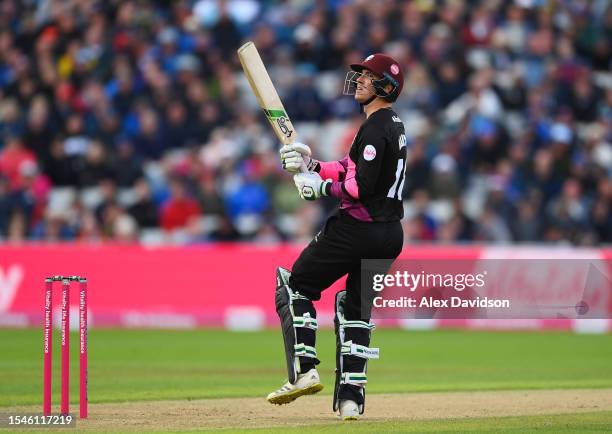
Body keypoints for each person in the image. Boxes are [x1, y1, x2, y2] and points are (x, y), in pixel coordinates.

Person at [268, 54, 407, 420]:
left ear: (386, 87)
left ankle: (304, 369)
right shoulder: (387, 123)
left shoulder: (377, 128)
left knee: (294, 286)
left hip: (357, 229)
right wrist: (312, 165)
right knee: (355, 309)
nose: (360, 80)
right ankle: (350, 401)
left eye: (369, 77)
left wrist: (321, 188)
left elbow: (359, 186)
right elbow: (350, 166)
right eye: (359, 74)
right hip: (389, 234)